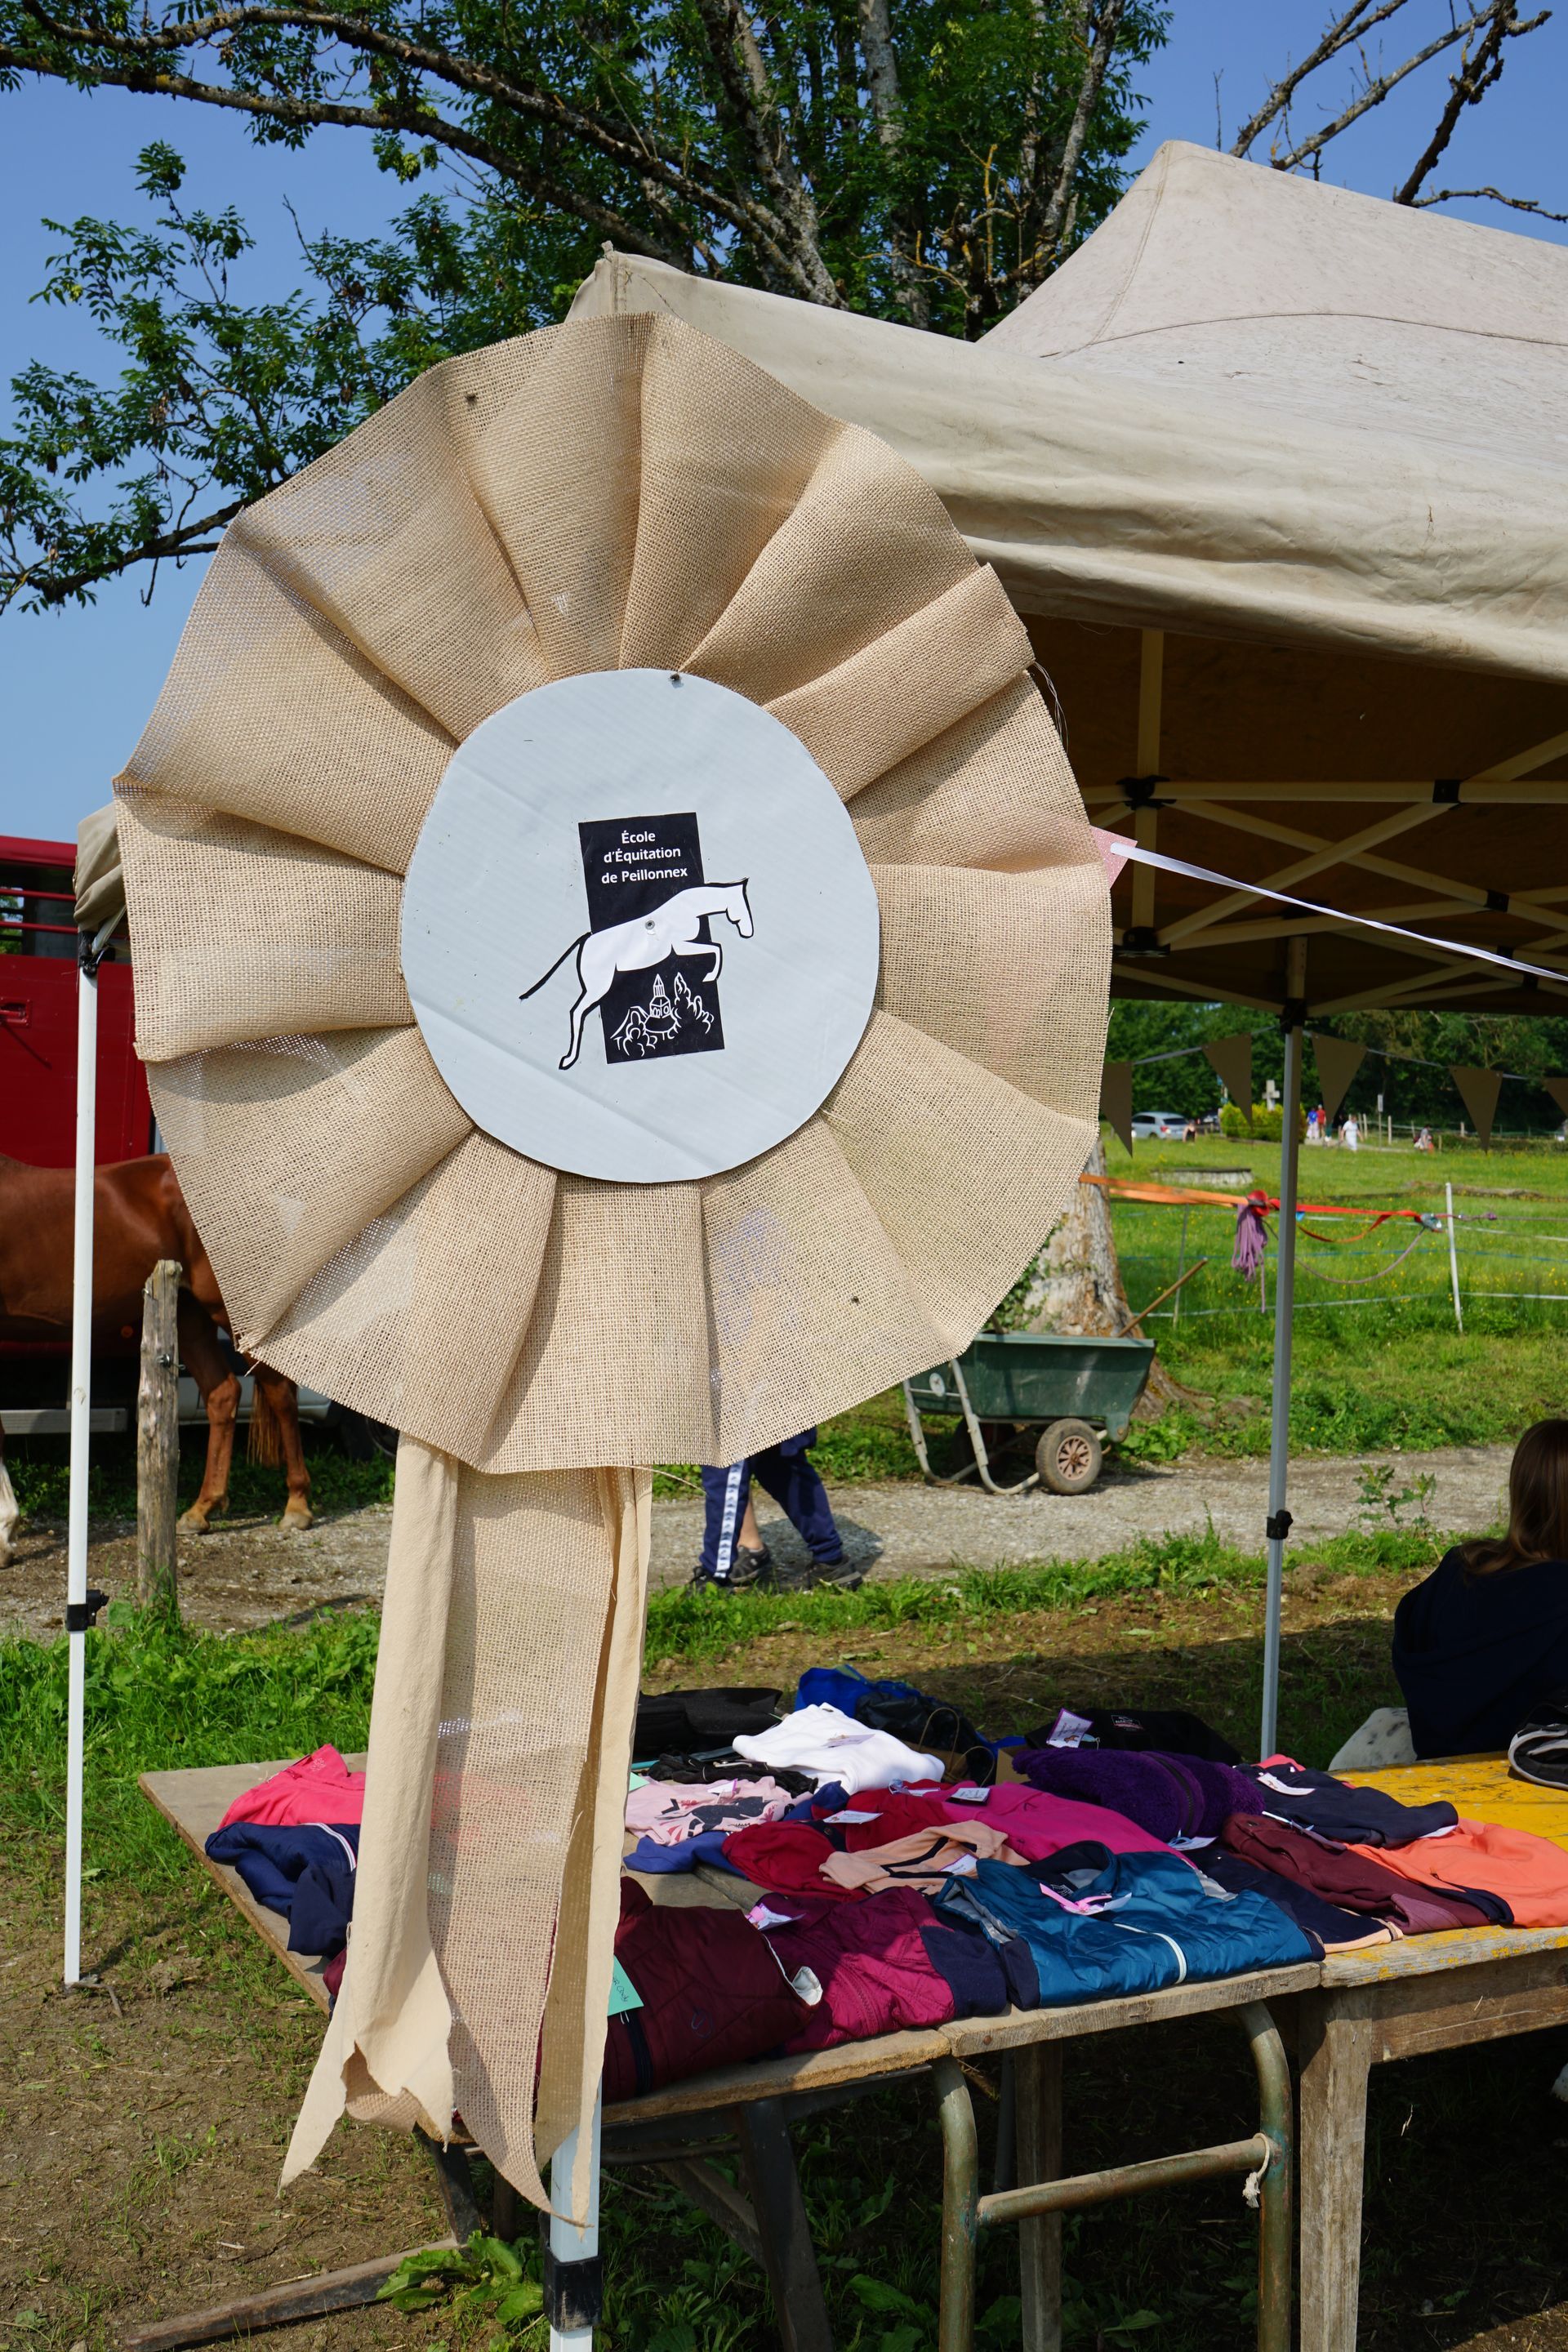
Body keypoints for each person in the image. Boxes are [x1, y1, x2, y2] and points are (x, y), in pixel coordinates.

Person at [1392, 1419, 1568, 1756]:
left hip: (1435, 1763)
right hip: (1524, 1780)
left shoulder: (1461, 1568)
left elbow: (1411, 1645)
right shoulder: (1560, 1600)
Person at [695, 1428, 855, 1592]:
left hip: (743, 1408)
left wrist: (715, 1569)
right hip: (770, 1408)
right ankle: (830, 1559)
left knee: (726, 1460)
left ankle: (714, 1578)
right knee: (775, 1461)